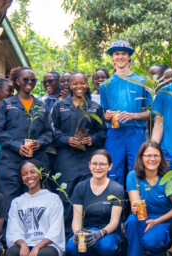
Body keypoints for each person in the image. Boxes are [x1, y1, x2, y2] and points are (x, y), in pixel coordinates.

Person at [51, 72, 107, 236]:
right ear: (70, 85)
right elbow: (52, 131)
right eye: (75, 84)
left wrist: (92, 139)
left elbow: (102, 132)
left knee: (87, 195)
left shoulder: (95, 107)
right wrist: (66, 139)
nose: (78, 86)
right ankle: (68, 235)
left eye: (82, 83)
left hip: (87, 159)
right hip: (66, 159)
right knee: (66, 196)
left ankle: (88, 234)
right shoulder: (60, 106)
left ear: (87, 84)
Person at [0, 67, 53, 203]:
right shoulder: (6, 104)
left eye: (33, 80)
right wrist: (16, 145)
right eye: (25, 79)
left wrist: (40, 142)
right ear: (17, 81)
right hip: (10, 160)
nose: (29, 82)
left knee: (35, 198)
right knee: (8, 198)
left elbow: (49, 132)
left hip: (36, 159)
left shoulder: (42, 106)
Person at [99, 40, 152, 185]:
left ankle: (136, 199)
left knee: (138, 170)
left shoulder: (142, 82)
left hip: (136, 132)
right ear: (112, 57)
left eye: (124, 54)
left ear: (129, 57)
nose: (120, 57)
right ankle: (115, 200)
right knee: (113, 171)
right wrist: (107, 116)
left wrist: (133, 115)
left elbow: (150, 112)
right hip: (115, 132)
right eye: (117, 54)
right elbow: (104, 113)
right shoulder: (106, 85)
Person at [124, 142, 172, 256]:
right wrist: (134, 208)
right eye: (148, 155)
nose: (152, 159)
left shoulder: (169, 178)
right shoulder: (133, 176)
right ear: (141, 157)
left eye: (156, 155)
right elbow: (137, 206)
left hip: (164, 220)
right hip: (143, 218)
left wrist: (156, 222)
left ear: (161, 157)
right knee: (131, 221)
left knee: (150, 241)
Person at [66, 150, 125, 255]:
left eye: (102, 164)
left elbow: (115, 221)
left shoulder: (117, 189)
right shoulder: (80, 187)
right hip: (86, 230)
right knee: (71, 246)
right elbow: (76, 219)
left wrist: (100, 233)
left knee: (106, 246)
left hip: (108, 231)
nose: (98, 167)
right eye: (94, 164)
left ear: (110, 166)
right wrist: (77, 232)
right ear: (89, 165)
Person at [5, 160, 65, 256]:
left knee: (45, 254)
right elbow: (13, 230)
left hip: (47, 244)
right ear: (22, 179)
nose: (29, 176)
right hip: (25, 243)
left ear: (40, 175)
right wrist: (23, 245)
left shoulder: (53, 199)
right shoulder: (16, 202)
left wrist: (37, 247)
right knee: (11, 252)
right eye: (24, 174)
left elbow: (56, 229)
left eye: (33, 172)